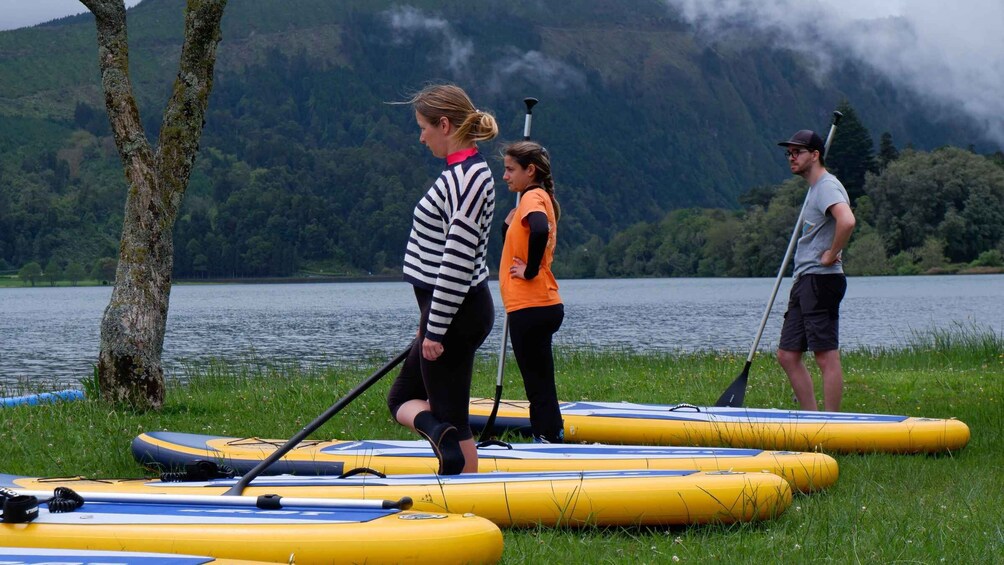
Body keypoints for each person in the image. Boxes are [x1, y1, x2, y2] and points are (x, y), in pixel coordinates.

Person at [386, 84, 498, 475]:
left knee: (450, 417)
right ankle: (444, 441)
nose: (421, 136)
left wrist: (434, 331)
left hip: (454, 311)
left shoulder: (467, 179)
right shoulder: (462, 174)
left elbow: (457, 259)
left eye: (424, 127)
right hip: (448, 310)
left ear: (445, 125)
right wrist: (429, 326)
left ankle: (463, 496)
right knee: (404, 399)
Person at [775, 129, 856, 412]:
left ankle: (831, 425)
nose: (791, 157)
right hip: (805, 279)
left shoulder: (827, 187)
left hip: (822, 281)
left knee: (825, 356)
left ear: (815, 154)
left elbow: (847, 221)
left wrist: (832, 254)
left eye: (797, 152)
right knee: (787, 354)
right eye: (789, 153)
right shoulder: (815, 189)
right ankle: (812, 420)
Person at [499, 141, 565, 443]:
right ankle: (551, 434)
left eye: (510, 170)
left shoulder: (533, 198)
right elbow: (524, 236)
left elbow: (538, 230)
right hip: (540, 303)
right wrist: (507, 224)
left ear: (530, 170)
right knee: (541, 382)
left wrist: (529, 270)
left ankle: (547, 438)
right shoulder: (537, 199)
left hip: (530, 305)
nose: (505, 176)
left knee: (536, 385)